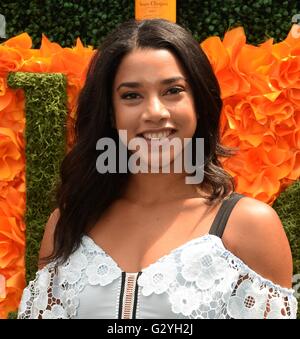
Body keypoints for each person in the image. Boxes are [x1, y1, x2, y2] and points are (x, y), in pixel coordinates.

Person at [18, 18, 297, 319]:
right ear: (111, 113)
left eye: (173, 90)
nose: (154, 112)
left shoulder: (249, 226)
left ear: (199, 104)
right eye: (131, 95)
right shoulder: (67, 224)